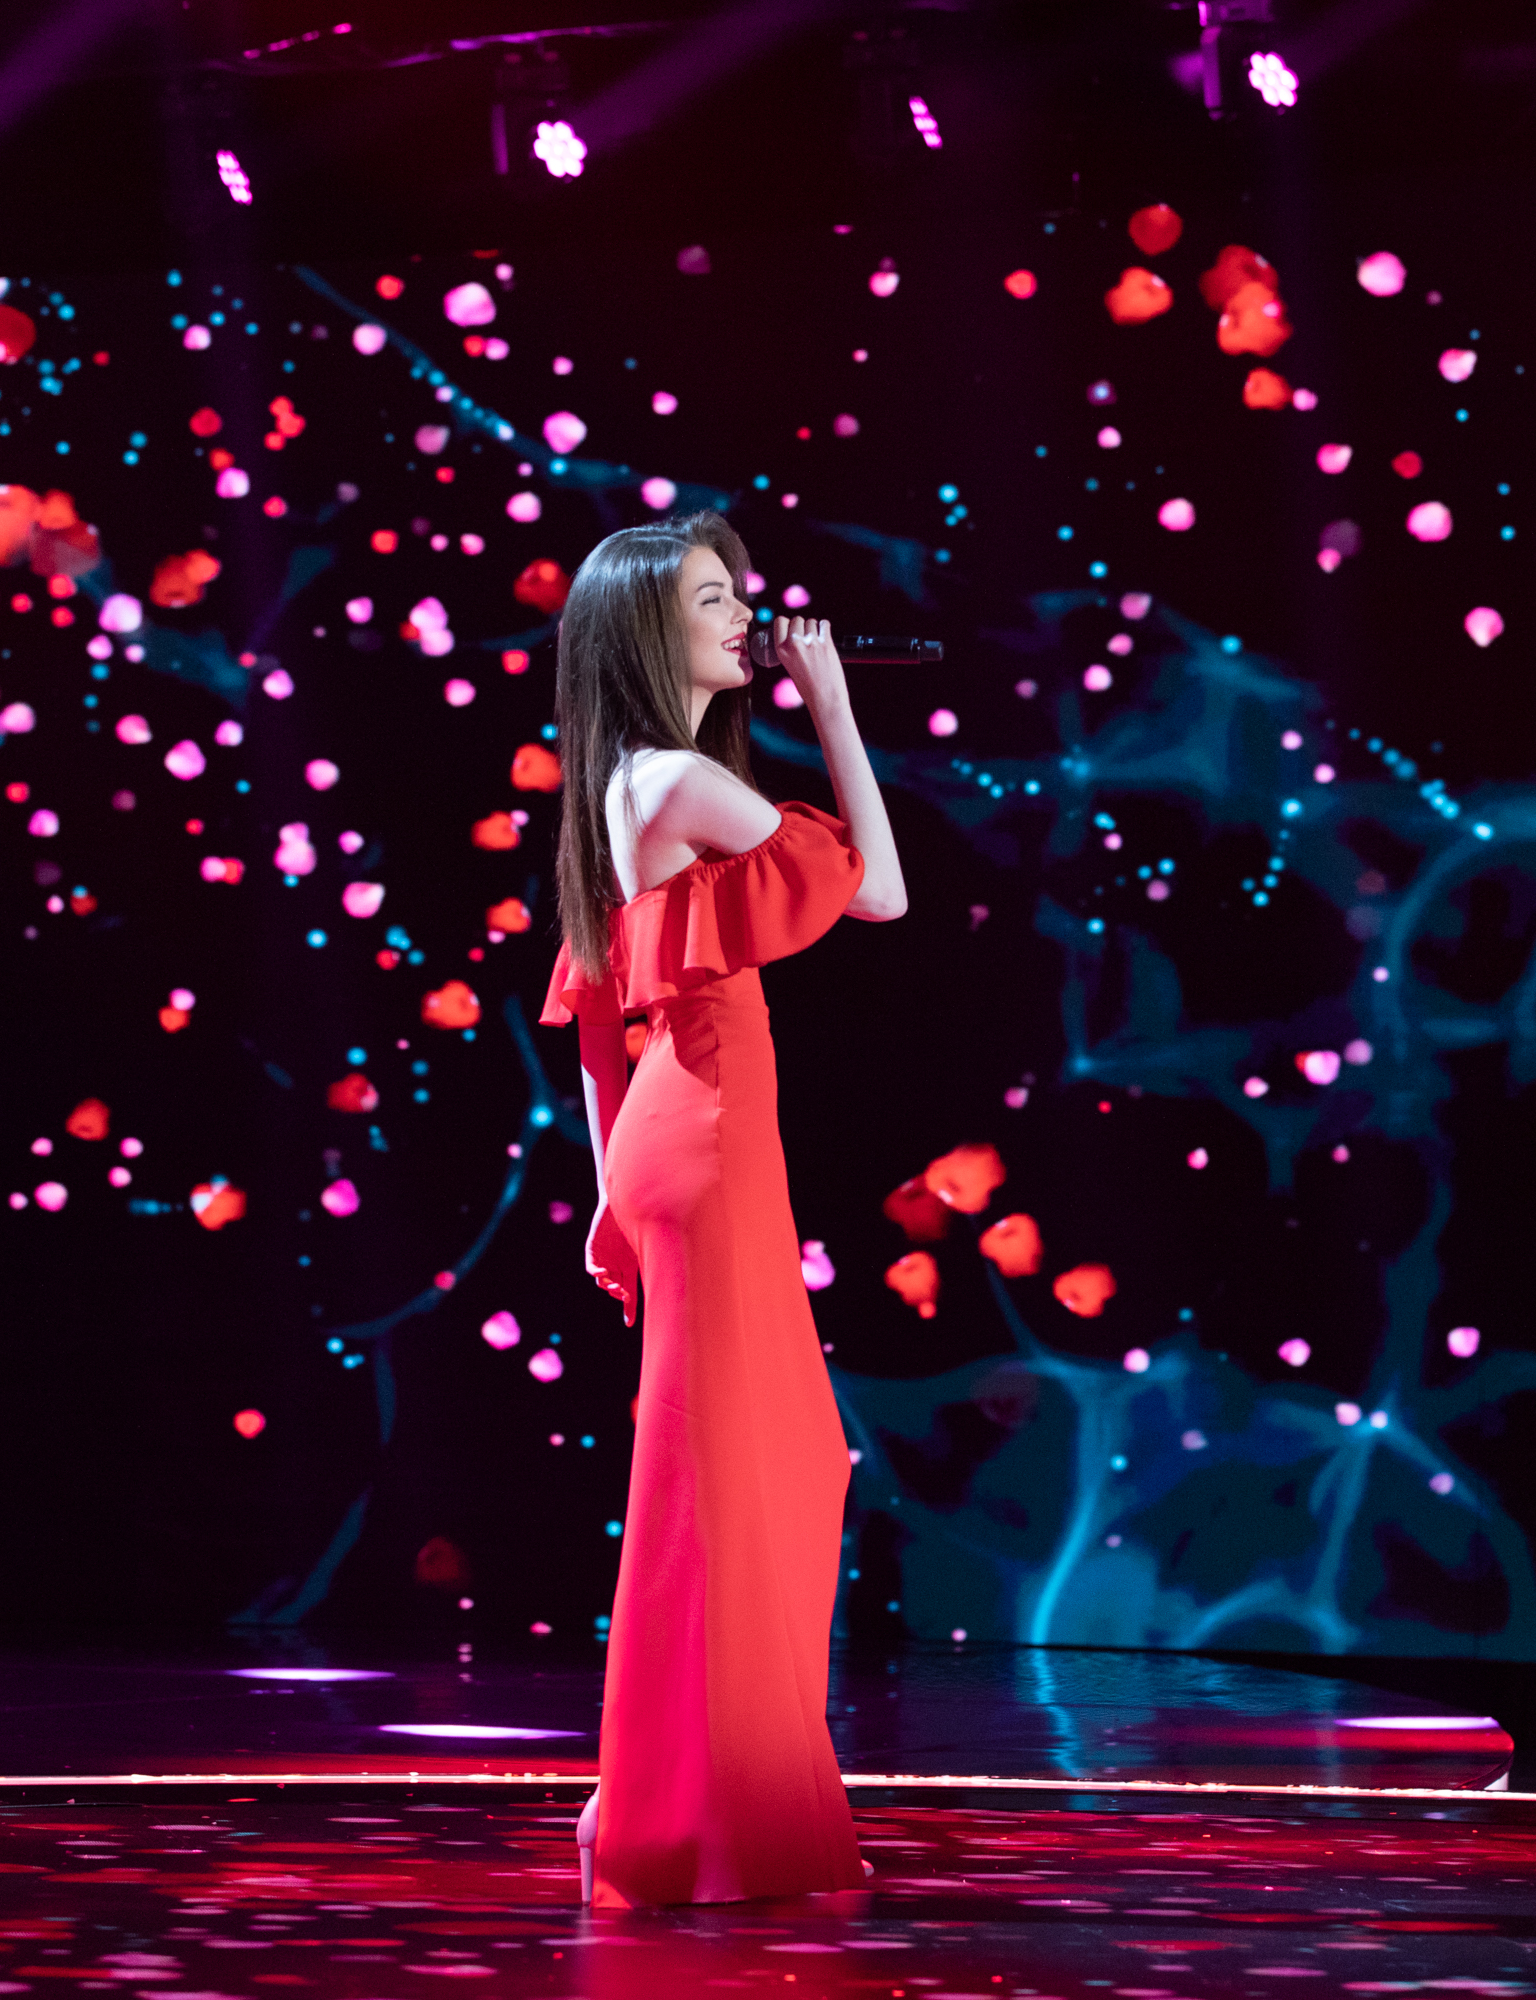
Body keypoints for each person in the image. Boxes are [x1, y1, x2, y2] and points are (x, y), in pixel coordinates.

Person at [540, 510, 908, 1909]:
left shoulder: (622, 786)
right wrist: (836, 707)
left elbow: (596, 1028)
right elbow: (881, 894)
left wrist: (608, 1193)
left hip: (675, 1139)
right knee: (735, 1481)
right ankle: (676, 1816)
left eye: (739, 594)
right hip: (703, 1139)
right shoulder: (681, 780)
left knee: (754, 1467)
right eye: (712, 600)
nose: (745, 618)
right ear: (648, 630)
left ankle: (660, 1798)